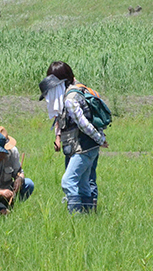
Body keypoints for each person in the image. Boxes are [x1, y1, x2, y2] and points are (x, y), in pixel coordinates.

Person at [39, 61, 109, 214]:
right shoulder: (77, 90)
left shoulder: (70, 99)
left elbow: (83, 124)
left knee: (68, 181)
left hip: (83, 147)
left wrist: (100, 139)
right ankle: (87, 217)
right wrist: (99, 140)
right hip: (89, 147)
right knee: (83, 183)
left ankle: (75, 217)